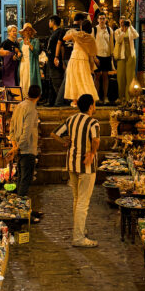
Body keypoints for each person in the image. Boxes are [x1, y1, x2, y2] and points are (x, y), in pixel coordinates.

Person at [53, 94, 101, 247]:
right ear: (90, 106)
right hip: (86, 165)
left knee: (76, 198)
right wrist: (92, 154)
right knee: (83, 202)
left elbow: (54, 133)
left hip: (72, 163)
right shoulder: (93, 123)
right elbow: (96, 140)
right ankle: (78, 237)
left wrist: (64, 141)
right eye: (93, 104)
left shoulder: (71, 119)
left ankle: (79, 230)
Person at [8, 84, 41, 204]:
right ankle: (19, 207)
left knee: (21, 178)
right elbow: (26, 133)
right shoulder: (31, 109)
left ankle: (16, 206)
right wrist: (18, 147)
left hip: (19, 148)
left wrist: (14, 145)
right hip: (27, 149)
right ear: (39, 96)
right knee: (25, 180)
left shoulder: (19, 106)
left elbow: (11, 126)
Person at [63, 20, 98, 105]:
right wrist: (92, 68)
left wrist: (74, 36)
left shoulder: (76, 34)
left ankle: (75, 100)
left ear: (81, 27)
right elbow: (92, 54)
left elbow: (64, 38)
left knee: (74, 79)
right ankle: (89, 100)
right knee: (85, 79)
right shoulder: (91, 38)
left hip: (74, 58)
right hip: (83, 59)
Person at [114, 18, 139, 102]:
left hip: (130, 56)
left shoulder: (130, 30)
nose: (122, 24)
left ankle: (129, 99)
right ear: (119, 23)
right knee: (120, 78)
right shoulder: (117, 31)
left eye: (124, 22)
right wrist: (123, 31)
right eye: (121, 22)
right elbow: (118, 40)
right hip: (121, 56)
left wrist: (130, 26)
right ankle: (121, 98)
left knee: (130, 78)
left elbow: (136, 35)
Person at [45, 15, 66, 107]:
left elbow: (61, 46)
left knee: (57, 81)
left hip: (56, 61)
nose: (49, 23)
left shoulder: (60, 31)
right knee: (51, 81)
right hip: (50, 60)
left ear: (53, 22)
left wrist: (59, 58)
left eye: (50, 21)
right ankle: (52, 101)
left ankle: (61, 102)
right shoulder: (53, 32)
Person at [94, 11, 114, 104]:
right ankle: (96, 97)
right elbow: (92, 44)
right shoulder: (94, 29)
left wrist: (111, 55)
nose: (102, 20)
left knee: (106, 77)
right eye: (100, 18)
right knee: (97, 76)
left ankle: (105, 97)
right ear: (97, 20)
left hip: (106, 56)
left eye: (103, 18)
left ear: (106, 19)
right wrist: (94, 57)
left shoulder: (110, 30)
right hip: (97, 56)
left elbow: (111, 44)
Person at [18, 23, 42, 97]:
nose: (28, 32)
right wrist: (18, 54)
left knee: (30, 79)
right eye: (26, 30)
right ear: (23, 32)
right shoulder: (21, 42)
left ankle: (32, 96)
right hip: (23, 63)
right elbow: (20, 53)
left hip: (31, 63)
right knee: (23, 80)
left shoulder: (35, 41)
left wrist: (30, 45)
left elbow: (37, 52)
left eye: (29, 30)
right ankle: (24, 96)